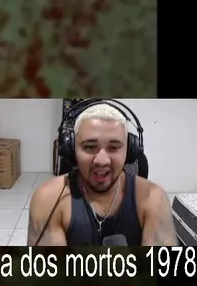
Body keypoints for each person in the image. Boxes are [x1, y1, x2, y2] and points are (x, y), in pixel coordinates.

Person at [27, 103, 179, 246]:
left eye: (114, 147)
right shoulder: (48, 199)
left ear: (130, 151)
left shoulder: (153, 199)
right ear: (72, 150)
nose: (101, 160)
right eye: (89, 147)